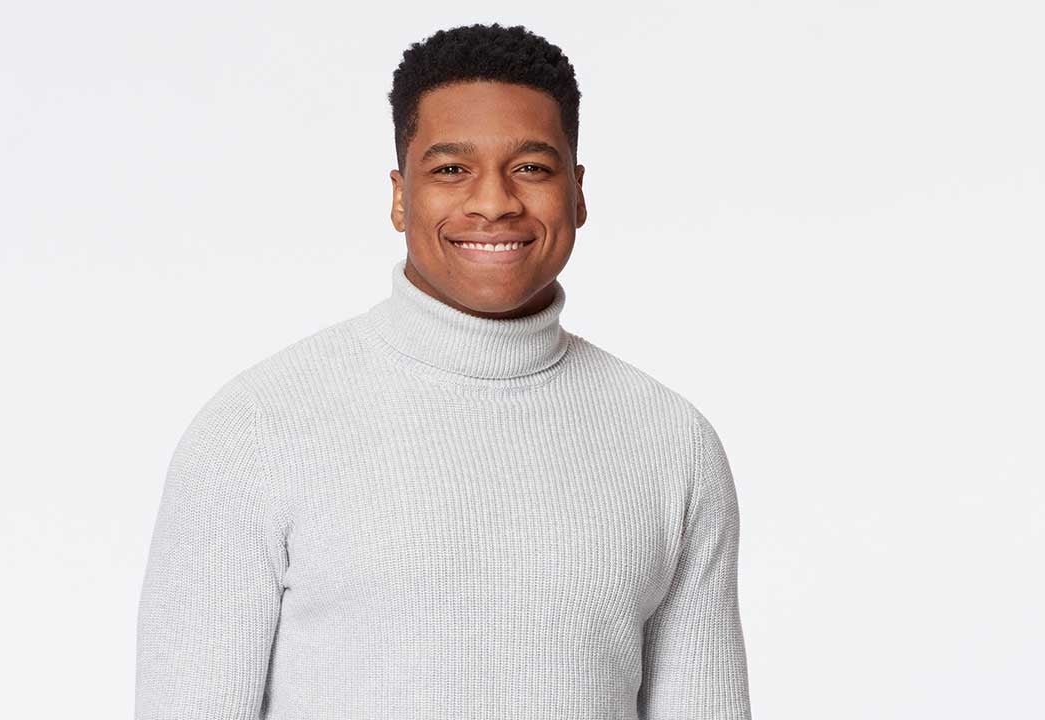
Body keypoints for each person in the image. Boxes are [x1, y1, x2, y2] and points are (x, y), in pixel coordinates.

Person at [135, 22, 753, 720]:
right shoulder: (257, 429)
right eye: (452, 170)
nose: (493, 202)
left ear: (577, 192)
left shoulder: (671, 443)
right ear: (401, 197)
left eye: (531, 167)